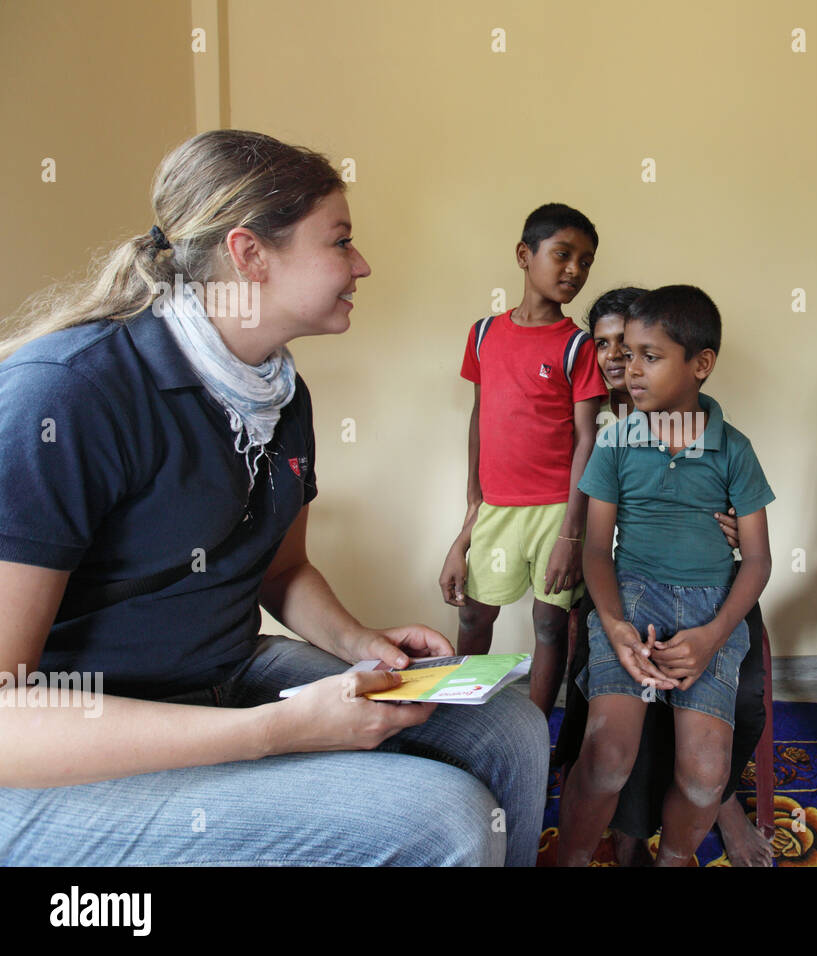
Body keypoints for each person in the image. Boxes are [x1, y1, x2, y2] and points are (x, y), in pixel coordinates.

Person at [0, 129, 548, 867]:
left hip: (221, 673)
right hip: (64, 760)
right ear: (250, 254)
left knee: (507, 726)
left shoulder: (283, 397)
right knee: (441, 819)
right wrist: (277, 731)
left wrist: (362, 646)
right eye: (341, 241)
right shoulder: (67, 394)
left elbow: (281, 572)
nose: (362, 264)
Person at [553, 287, 775, 866]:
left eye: (649, 357)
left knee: (704, 776)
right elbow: (597, 551)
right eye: (626, 355)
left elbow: (757, 559)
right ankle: (572, 856)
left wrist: (713, 636)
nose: (630, 369)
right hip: (631, 597)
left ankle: (675, 857)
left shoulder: (735, 448)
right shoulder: (617, 439)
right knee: (606, 757)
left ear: (700, 364)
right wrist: (615, 623)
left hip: (710, 610)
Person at [438, 204, 606, 716]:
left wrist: (571, 535)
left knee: (550, 625)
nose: (574, 270)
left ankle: (535, 726)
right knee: (472, 619)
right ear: (523, 255)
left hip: (558, 509)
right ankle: (459, 719)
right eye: (563, 255)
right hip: (497, 509)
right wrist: (470, 517)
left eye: (586, 261)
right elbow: (478, 418)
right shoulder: (484, 334)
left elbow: (586, 442)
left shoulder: (578, 346)